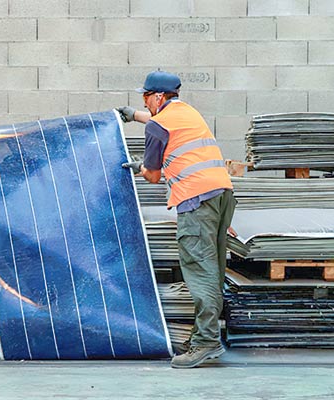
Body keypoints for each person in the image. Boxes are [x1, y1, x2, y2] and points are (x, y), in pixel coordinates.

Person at [117, 70, 236, 369]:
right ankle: (203, 336)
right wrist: (134, 116)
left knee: (200, 270)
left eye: (145, 96)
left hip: (196, 201)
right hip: (221, 195)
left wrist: (139, 168)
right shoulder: (187, 112)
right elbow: (161, 122)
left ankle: (207, 342)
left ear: (157, 97)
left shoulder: (158, 126)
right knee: (214, 269)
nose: (143, 101)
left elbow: (154, 177)